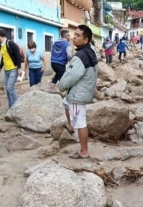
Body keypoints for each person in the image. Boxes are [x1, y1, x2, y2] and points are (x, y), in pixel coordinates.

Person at [58, 25, 98, 159]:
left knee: (81, 122)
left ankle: (84, 151)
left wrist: (61, 86)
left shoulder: (81, 55)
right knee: (65, 103)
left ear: (85, 40)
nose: (74, 37)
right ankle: (70, 126)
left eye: (78, 35)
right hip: (82, 91)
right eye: (74, 34)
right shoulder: (90, 52)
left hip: (77, 95)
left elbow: (72, 76)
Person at [0, 28, 22, 108]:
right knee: (7, 90)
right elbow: (4, 57)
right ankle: (11, 107)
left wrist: (19, 68)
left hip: (13, 69)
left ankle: (15, 107)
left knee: (10, 88)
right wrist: (0, 67)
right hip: (6, 70)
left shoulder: (10, 43)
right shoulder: (0, 45)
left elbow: (18, 56)